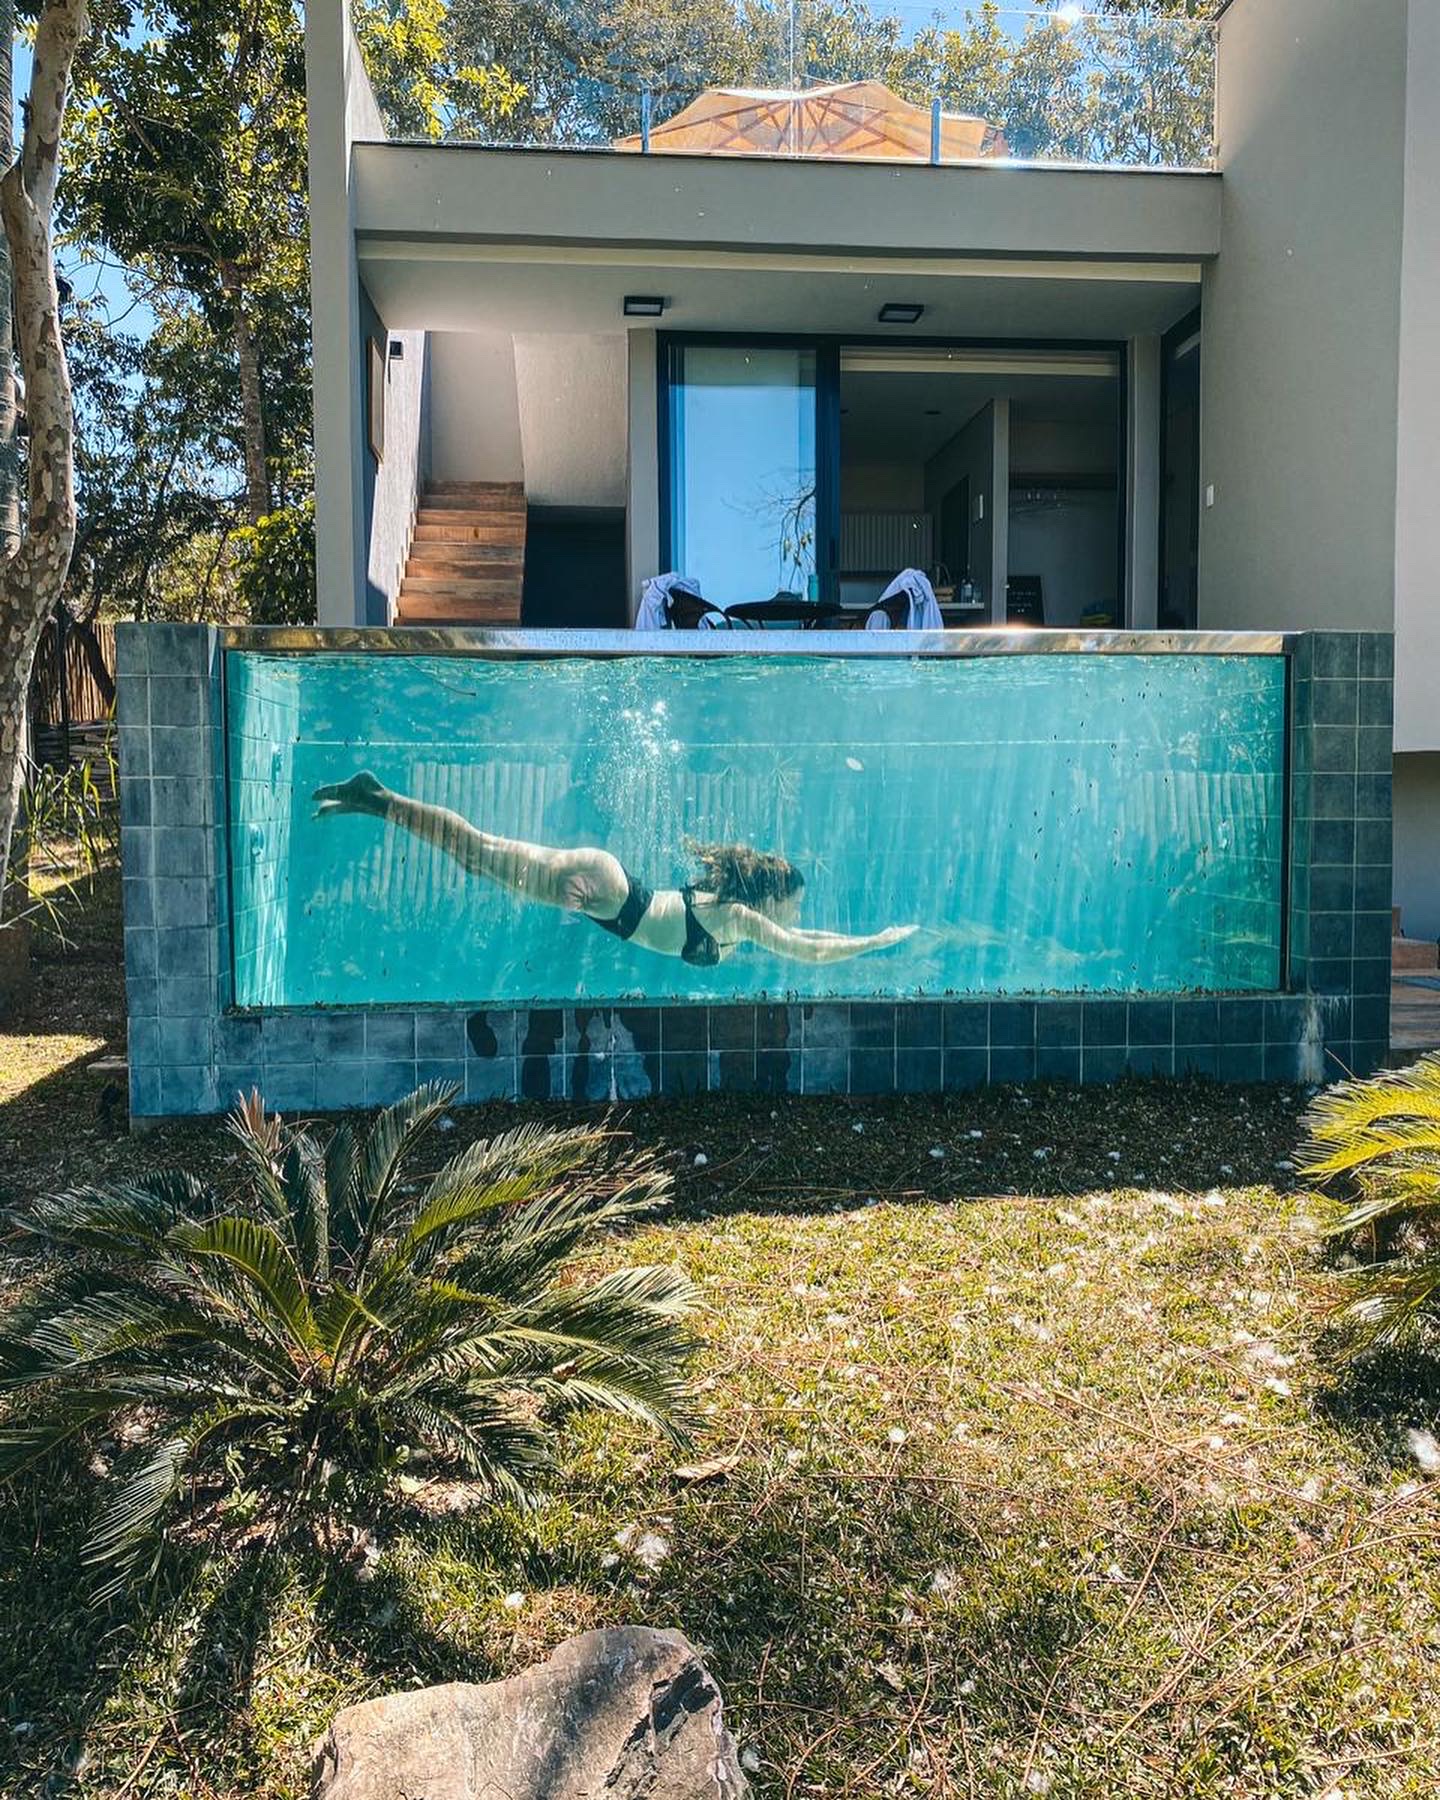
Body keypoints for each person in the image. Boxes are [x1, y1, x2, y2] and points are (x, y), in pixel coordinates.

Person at [312, 771, 918, 967]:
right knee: (476, 852)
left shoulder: (735, 917)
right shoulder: (737, 918)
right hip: (606, 891)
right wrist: (875, 942)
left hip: (610, 887)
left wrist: (866, 938)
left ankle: (375, 803)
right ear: (773, 896)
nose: (799, 915)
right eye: (796, 902)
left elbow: (807, 938)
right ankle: (379, 799)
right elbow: (806, 951)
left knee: (479, 855)